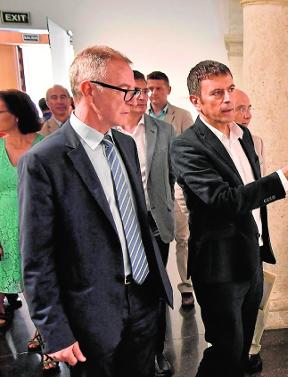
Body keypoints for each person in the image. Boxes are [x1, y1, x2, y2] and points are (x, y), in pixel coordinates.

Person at [18, 46, 173, 377]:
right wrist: (54, 330)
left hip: (144, 300)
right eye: (125, 90)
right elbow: (36, 257)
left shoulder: (125, 145)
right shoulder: (45, 160)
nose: (134, 100)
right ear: (89, 89)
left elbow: (133, 219)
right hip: (90, 313)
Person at [171, 60, 288, 377]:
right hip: (219, 267)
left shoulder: (243, 136)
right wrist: (283, 177)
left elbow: (252, 201)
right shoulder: (186, 146)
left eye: (230, 89)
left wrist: (261, 246)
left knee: (245, 346)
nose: (228, 98)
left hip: (250, 257)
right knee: (225, 349)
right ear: (195, 101)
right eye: (217, 93)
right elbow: (224, 201)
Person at [117, 70, 176, 377]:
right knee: (126, 289)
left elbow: (170, 175)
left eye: (144, 91)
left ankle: (156, 352)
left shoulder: (163, 130)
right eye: (134, 91)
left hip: (155, 223)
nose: (141, 97)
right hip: (120, 226)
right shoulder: (108, 132)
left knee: (157, 289)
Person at [0, 90, 59, 373]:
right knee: (25, 286)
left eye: (0, 111)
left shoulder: (44, 145)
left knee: (44, 285)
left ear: (18, 113)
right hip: (6, 225)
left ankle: (51, 342)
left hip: (40, 222)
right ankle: (42, 330)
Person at [230, 88, 275, 373]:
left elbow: (261, 188)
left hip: (254, 236)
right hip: (224, 240)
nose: (247, 115)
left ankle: (251, 347)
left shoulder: (255, 142)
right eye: (240, 108)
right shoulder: (204, 145)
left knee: (255, 298)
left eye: (249, 108)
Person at [147, 70, 196, 307]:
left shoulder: (182, 116)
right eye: (150, 88)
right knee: (156, 239)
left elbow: (191, 150)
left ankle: (186, 286)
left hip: (176, 185)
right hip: (151, 187)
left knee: (182, 237)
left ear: (168, 90)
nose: (153, 93)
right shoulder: (140, 116)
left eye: (158, 88)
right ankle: (159, 285)